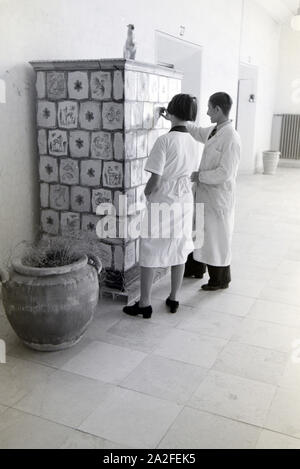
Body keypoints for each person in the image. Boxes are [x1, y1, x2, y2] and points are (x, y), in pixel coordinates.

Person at [123, 94, 200, 319]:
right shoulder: (194, 142)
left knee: (150, 247)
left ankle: (145, 304)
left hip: (163, 199)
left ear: (171, 111)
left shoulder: (164, 141)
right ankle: (174, 298)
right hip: (184, 199)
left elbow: (155, 180)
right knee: (179, 246)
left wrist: (146, 194)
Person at [186, 92, 241, 291]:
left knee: (217, 239)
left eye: (209, 108)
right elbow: (198, 132)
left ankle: (220, 280)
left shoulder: (231, 138)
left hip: (218, 197)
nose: (207, 112)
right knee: (201, 233)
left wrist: (200, 176)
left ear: (218, 109)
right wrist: (179, 120)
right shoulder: (215, 130)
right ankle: (196, 268)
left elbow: (225, 173)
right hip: (206, 194)